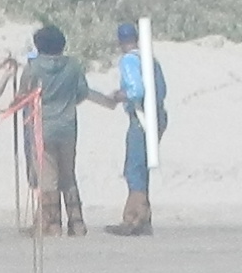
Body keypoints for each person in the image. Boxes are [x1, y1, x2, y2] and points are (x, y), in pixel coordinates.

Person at [17, 20, 87, 235]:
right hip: (67, 126)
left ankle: (50, 223)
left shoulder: (33, 68)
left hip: (42, 127)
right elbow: (83, 93)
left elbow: (23, 96)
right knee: (68, 174)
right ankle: (76, 222)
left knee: (47, 176)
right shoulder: (74, 65)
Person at [100, 19, 167, 234]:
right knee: (142, 166)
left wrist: (119, 96)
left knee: (134, 167)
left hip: (141, 118)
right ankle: (144, 216)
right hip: (157, 116)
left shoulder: (129, 60)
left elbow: (136, 91)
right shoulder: (150, 59)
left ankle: (134, 218)